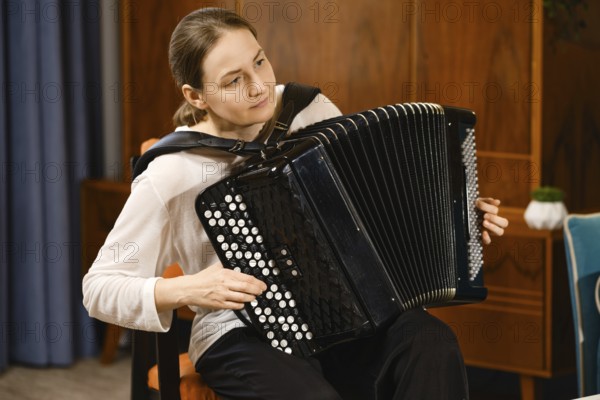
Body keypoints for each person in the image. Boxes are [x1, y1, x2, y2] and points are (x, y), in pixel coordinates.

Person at [83, 7, 509, 400]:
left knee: (431, 342)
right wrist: (187, 289)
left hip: (344, 314)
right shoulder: (173, 172)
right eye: (233, 80)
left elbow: (362, 214)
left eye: (260, 61)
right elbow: (98, 287)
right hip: (239, 333)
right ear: (196, 97)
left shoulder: (308, 111)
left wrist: (457, 224)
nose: (259, 86)